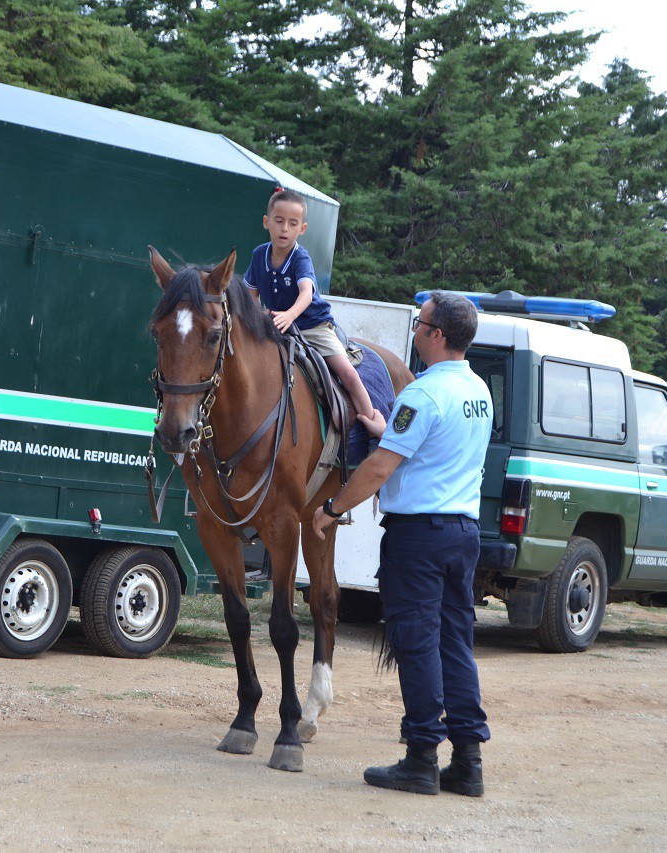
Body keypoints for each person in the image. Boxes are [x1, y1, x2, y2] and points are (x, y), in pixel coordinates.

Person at [312, 290, 491, 796]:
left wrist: (330, 509)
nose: (415, 331)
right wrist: (386, 428)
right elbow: (428, 446)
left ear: (436, 335)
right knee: (456, 642)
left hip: (419, 539)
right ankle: (468, 761)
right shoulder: (478, 390)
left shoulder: (422, 394)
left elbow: (380, 467)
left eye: (420, 324)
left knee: (417, 645)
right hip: (462, 533)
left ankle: (420, 759)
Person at [244, 189, 376, 423]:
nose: (285, 228)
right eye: (279, 221)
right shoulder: (258, 255)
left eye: (292, 223)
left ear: (302, 229)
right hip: (276, 325)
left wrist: (289, 315)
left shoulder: (300, 258)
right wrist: (257, 315)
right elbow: (250, 294)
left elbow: (306, 293)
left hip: (312, 325)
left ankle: (372, 423)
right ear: (266, 222)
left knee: (347, 373)